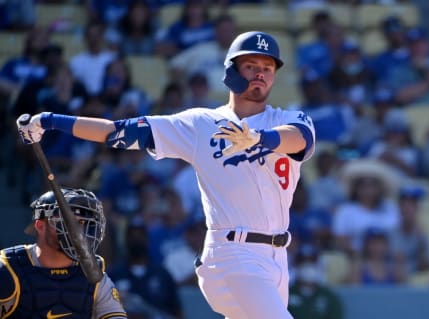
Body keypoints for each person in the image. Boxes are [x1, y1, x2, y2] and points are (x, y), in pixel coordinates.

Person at [17, 31, 316, 319]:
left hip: (277, 258)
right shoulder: (202, 124)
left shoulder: (288, 118)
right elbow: (116, 131)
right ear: (231, 71)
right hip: (233, 254)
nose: (261, 73)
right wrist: (52, 120)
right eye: (251, 65)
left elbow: (300, 138)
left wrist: (258, 138)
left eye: (267, 67)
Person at [0, 188, 127, 318]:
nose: (76, 231)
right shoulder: (8, 268)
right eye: (67, 222)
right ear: (40, 226)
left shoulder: (93, 273)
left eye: (82, 223)